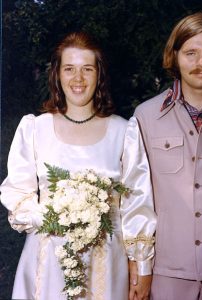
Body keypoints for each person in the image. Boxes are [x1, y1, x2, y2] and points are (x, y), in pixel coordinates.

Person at [0, 32, 156, 300]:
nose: (78, 79)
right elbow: (17, 192)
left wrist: (141, 265)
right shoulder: (35, 128)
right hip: (48, 258)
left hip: (107, 262)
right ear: (57, 75)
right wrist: (54, 217)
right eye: (69, 68)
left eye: (87, 69)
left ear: (100, 75)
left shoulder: (124, 131)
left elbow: (137, 202)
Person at [132, 12, 202, 300]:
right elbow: (135, 199)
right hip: (166, 272)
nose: (201, 63)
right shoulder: (145, 117)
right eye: (191, 53)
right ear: (175, 55)